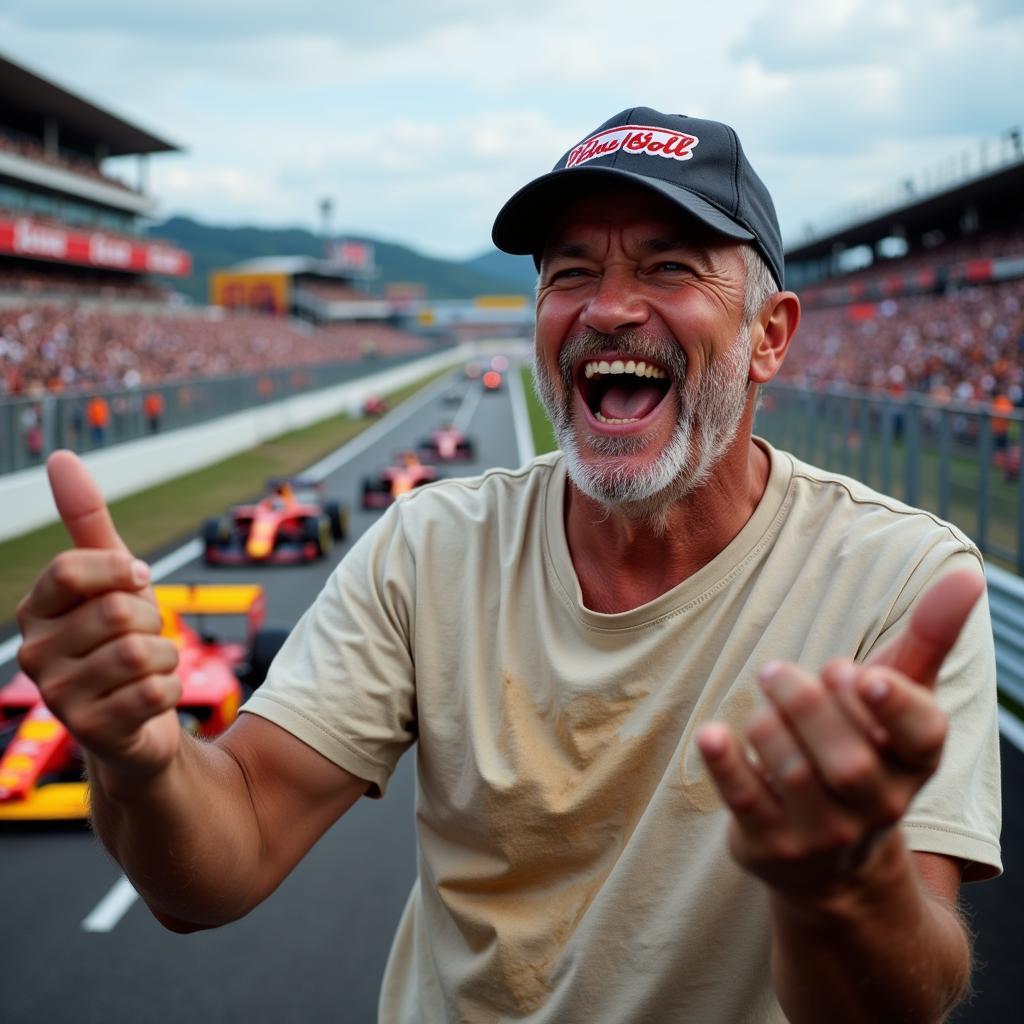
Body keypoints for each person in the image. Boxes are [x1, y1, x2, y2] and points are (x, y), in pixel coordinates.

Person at [16, 108, 1001, 1023]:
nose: (608, 309)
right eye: (569, 273)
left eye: (666, 269)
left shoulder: (897, 580)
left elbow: (902, 1000)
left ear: (768, 337)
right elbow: (213, 873)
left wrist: (844, 886)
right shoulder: (427, 544)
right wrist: (137, 756)